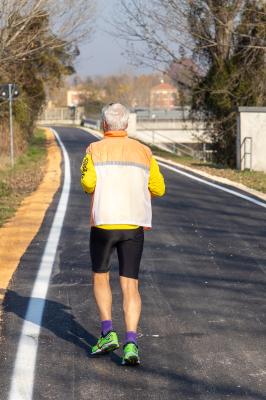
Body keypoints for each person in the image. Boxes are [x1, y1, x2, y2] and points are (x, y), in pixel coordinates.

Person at [80, 103, 165, 365]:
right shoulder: (145, 152)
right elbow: (158, 188)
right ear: (126, 125)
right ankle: (131, 343)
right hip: (133, 225)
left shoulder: (94, 149)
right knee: (130, 284)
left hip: (104, 223)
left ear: (104, 125)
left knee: (101, 277)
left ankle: (107, 333)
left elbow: (87, 183)